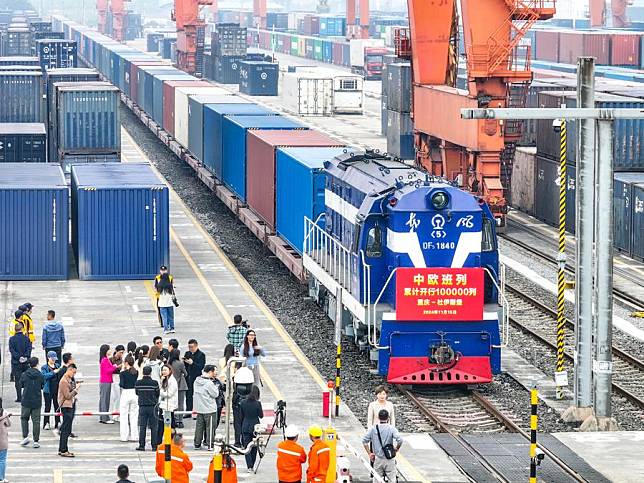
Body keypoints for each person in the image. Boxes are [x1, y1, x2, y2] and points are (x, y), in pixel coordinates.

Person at [362, 409, 403, 483]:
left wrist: (369, 453)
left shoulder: (373, 429)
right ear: (388, 418)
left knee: (377, 479)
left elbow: (364, 441)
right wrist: (396, 448)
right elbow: (400, 440)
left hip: (378, 459)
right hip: (389, 459)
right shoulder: (391, 428)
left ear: (378, 417)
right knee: (392, 479)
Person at [193, 365, 219, 450]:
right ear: (210, 372)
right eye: (214, 371)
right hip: (209, 408)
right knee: (210, 427)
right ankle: (210, 444)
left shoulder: (197, 381)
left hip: (199, 408)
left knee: (199, 427)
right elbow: (215, 394)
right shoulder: (209, 383)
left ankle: (197, 443)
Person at [20, 357, 44, 448]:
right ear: (37, 364)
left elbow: (21, 384)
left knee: (24, 418)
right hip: (37, 400)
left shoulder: (24, 374)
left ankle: (25, 437)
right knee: (36, 421)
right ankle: (36, 441)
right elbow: (42, 385)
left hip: (26, 400)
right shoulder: (40, 374)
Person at [135, 365, 160, 451]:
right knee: (154, 427)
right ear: (150, 373)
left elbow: (137, 392)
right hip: (153, 407)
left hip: (142, 406)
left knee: (142, 426)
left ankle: (142, 445)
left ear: (142, 372)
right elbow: (157, 394)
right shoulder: (155, 383)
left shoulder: (138, 383)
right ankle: (154, 446)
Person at [58, 364, 81, 457]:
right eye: (73, 372)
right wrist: (76, 390)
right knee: (65, 429)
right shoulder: (63, 381)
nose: (74, 374)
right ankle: (64, 449)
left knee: (66, 428)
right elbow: (67, 396)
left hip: (69, 405)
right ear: (69, 370)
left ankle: (62, 448)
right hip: (66, 406)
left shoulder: (68, 380)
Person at [241, 385, 263, 472]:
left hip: (245, 425)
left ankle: (249, 466)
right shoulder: (257, 403)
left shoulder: (243, 402)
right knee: (254, 446)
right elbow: (261, 416)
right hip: (255, 426)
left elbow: (241, 415)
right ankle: (252, 465)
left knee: (247, 446)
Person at [156, 364, 178, 445]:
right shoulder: (165, 379)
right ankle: (159, 441)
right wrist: (161, 381)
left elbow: (169, 393)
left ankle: (173, 442)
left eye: (165, 370)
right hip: (164, 405)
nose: (163, 372)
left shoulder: (172, 381)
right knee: (161, 425)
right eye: (163, 370)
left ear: (170, 370)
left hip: (169, 406)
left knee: (170, 425)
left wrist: (161, 392)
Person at [9, 322, 31, 402]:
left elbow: (12, 350)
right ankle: (27, 395)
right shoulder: (26, 338)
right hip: (25, 362)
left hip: (16, 362)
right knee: (27, 379)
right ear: (22, 329)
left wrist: (18, 357)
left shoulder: (11, 339)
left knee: (18, 380)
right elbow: (29, 348)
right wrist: (25, 357)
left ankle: (19, 397)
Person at [119, 354, 139, 442]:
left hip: (126, 393)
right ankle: (134, 436)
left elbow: (121, 384)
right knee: (134, 416)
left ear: (126, 363)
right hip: (135, 393)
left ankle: (124, 436)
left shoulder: (123, 373)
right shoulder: (136, 372)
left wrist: (122, 370)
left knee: (123, 416)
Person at [99, 345, 120, 424]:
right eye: (109, 349)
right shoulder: (104, 360)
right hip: (106, 381)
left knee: (103, 399)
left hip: (105, 381)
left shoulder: (104, 359)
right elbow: (108, 370)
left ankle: (103, 416)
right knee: (105, 400)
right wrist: (115, 367)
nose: (110, 350)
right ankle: (105, 418)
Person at [41, 351, 62, 431]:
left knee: (57, 406)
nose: (54, 360)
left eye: (54, 359)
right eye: (52, 359)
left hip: (56, 389)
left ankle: (58, 422)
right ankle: (46, 423)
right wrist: (53, 372)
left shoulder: (57, 366)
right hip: (48, 390)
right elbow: (44, 376)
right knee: (47, 407)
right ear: (48, 358)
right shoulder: (44, 367)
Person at [183, 339, 206, 412]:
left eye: (192, 347)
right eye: (189, 347)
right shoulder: (187, 353)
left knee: (197, 395)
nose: (190, 349)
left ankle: (197, 410)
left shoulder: (201, 355)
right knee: (188, 395)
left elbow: (201, 367)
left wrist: (192, 363)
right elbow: (185, 366)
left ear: (196, 346)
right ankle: (188, 410)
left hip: (196, 377)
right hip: (188, 376)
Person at [168, 349, 188, 428]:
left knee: (173, 403)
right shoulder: (180, 363)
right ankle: (180, 420)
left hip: (171, 385)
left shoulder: (168, 363)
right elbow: (185, 373)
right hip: (180, 385)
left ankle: (174, 420)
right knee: (180, 403)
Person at [111, 345, 126, 423]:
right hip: (114, 377)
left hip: (121, 377)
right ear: (116, 351)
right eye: (120, 352)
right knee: (117, 397)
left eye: (123, 352)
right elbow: (111, 370)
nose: (121, 354)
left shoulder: (122, 359)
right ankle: (115, 414)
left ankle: (119, 413)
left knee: (121, 396)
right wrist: (118, 367)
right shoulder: (111, 359)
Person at [0, 406, 11, 483]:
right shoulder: (4, 414)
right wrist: (7, 416)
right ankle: (1, 477)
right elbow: (9, 424)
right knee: (2, 460)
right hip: (2, 442)